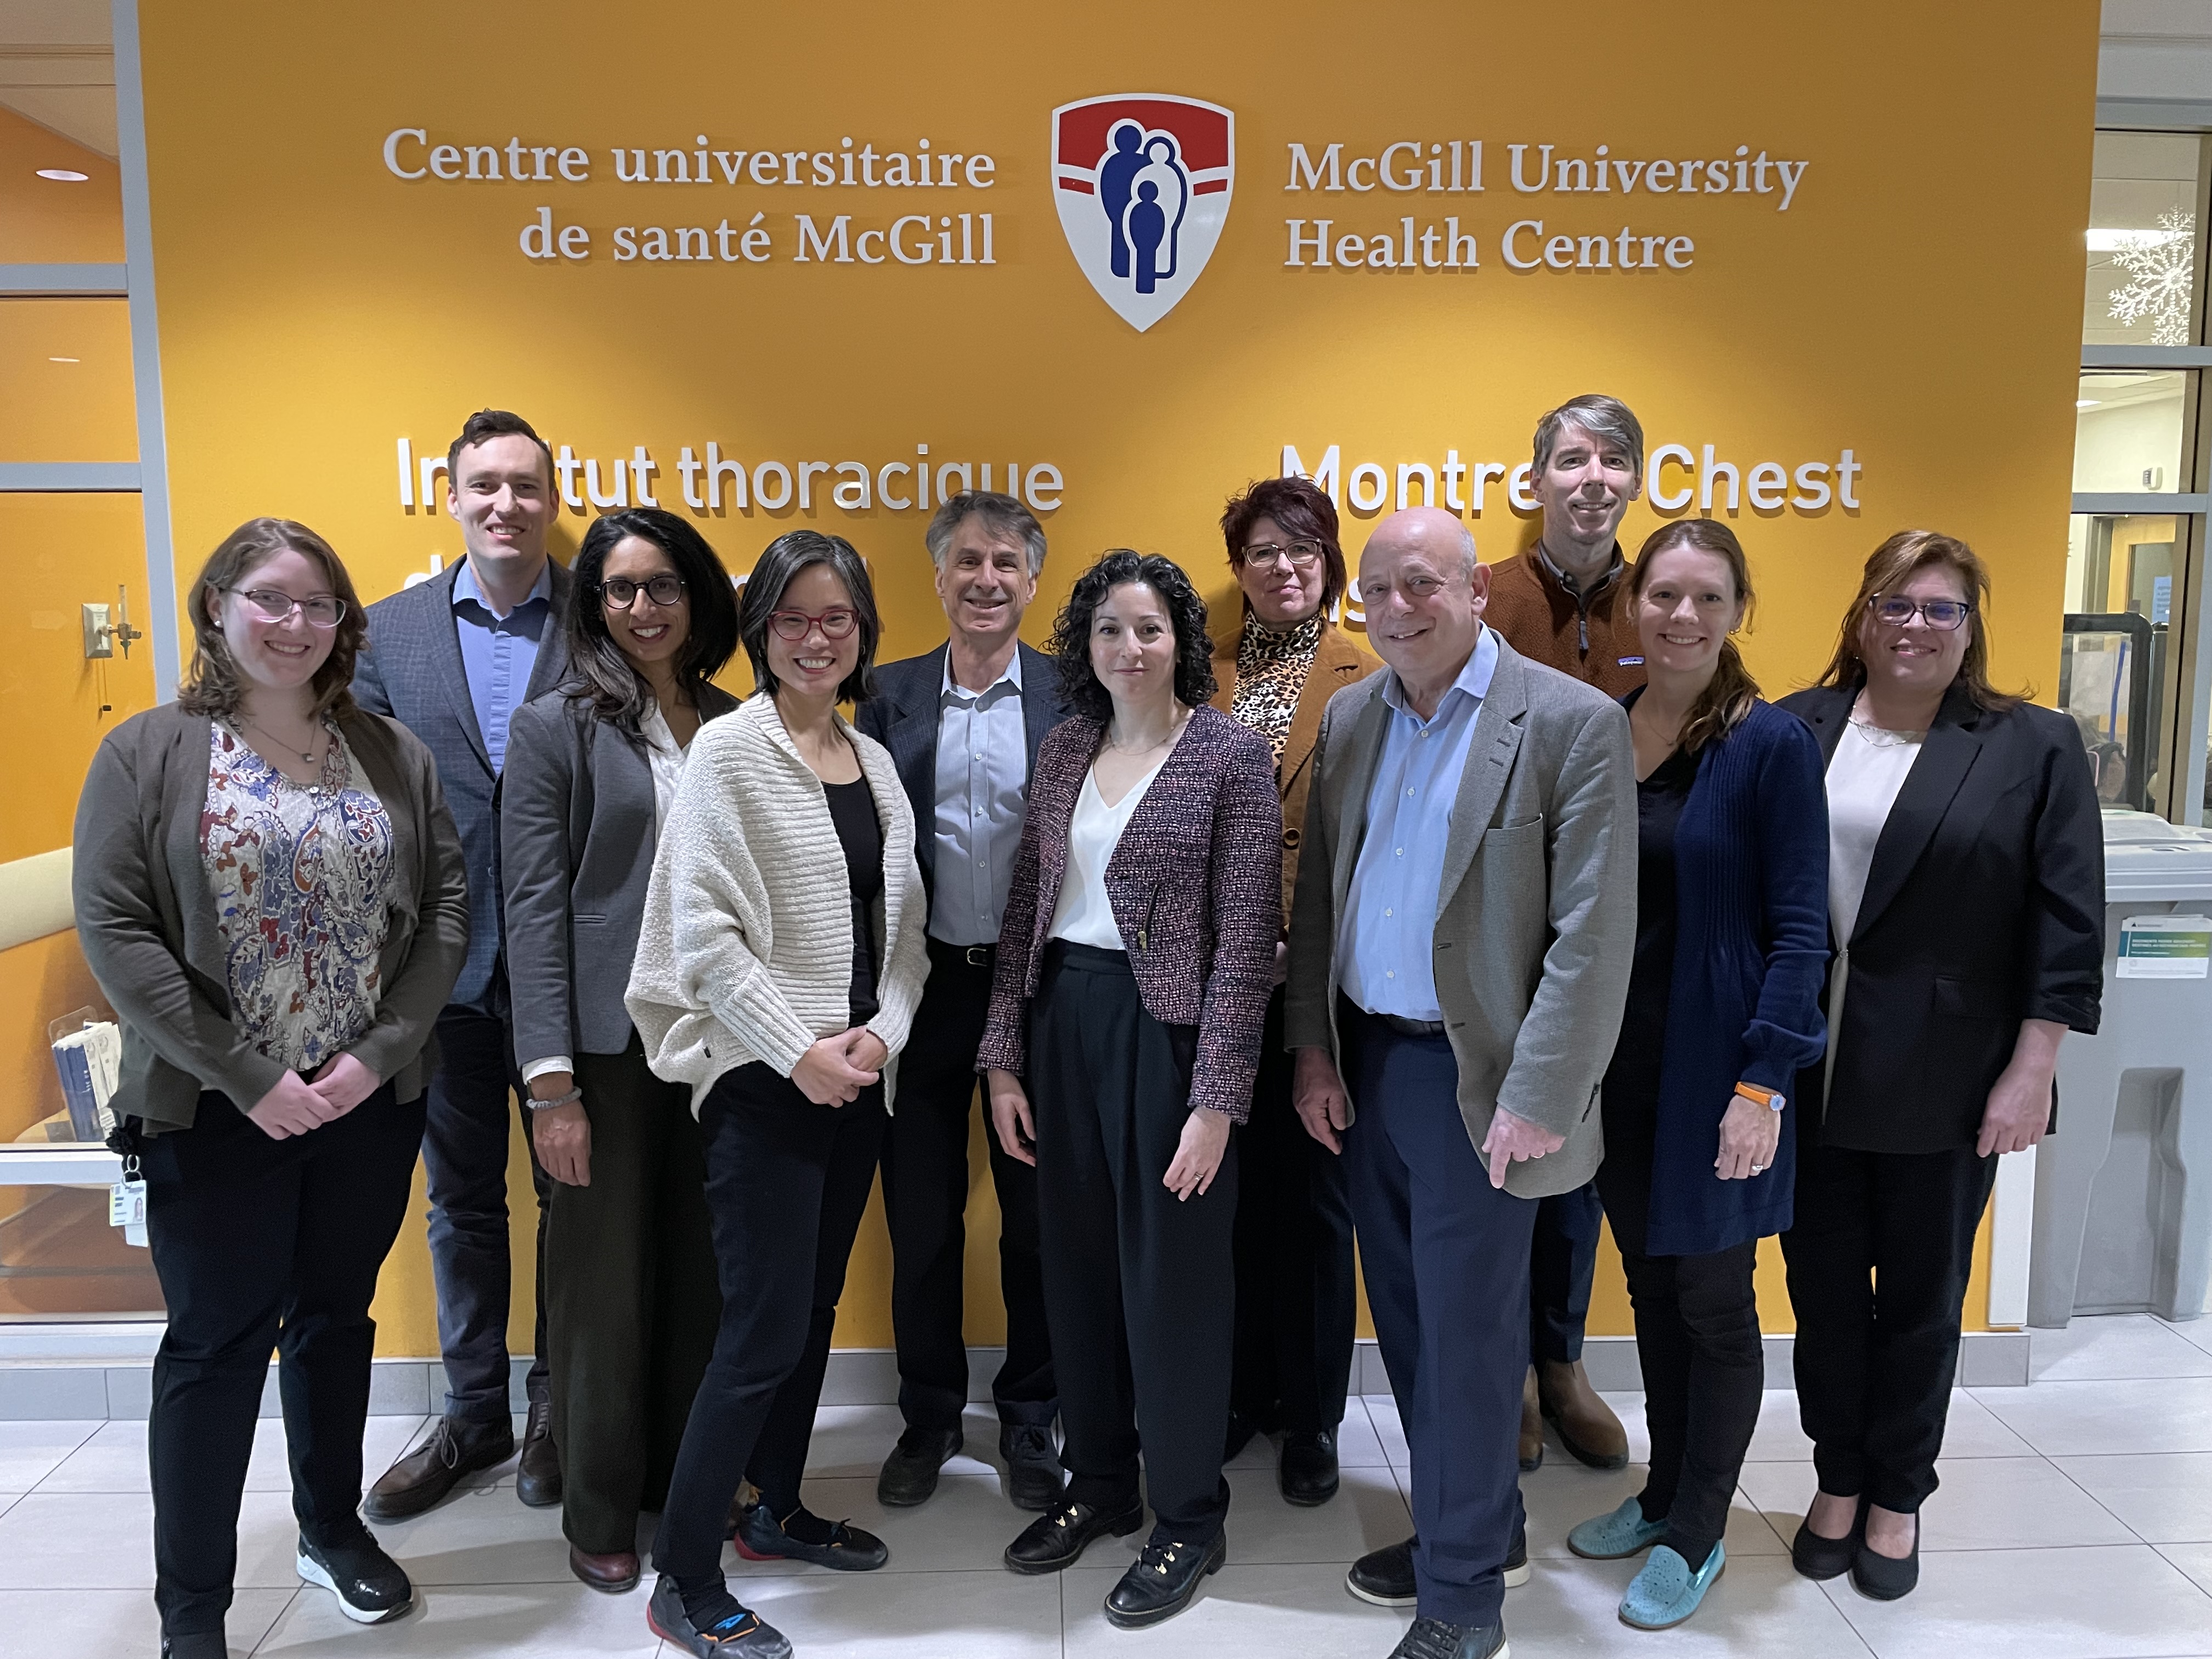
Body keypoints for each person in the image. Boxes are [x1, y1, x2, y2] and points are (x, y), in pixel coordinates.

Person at [72, 518, 468, 1659]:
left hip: (363, 1104)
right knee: (214, 1347)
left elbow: (442, 914)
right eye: (271, 600)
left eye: (319, 606)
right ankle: (192, 1613)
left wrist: (371, 1060)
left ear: (345, 624)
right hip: (214, 1108)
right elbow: (119, 932)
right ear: (217, 609)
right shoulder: (148, 751)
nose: (296, 625)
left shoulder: (392, 751)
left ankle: (331, 1531)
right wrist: (251, 1078)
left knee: (336, 1323)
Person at [1287, 507, 1636, 1659]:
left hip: (1483, 1084)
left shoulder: (1569, 723)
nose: (1397, 608)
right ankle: (1465, 1526)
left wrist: (1540, 1093)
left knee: (1475, 1341)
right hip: (1372, 1067)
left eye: (1423, 584)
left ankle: (1464, 1600)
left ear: (1476, 592)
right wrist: (1315, 1051)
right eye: (1378, 590)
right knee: (1414, 1333)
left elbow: (1593, 933)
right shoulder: (1351, 718)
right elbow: (1321, 905)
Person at [1778, 531, 2103, 1601]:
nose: (1915, 625)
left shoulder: (2032, 745)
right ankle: (1835, 1475)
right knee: (1822, 1292)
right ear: (1862, 616)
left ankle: (1897, 1494)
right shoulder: (1799, 725)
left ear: (1970, 627)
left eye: (1941, 609)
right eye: (1896, 604)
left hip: (1952, 1071)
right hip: (1808, 1068)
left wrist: (2034, 1068)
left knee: (1922, 1295)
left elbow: (2066, 919)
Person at [625, 530, 929, 1659]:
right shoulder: (729, 754)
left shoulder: (875, 764)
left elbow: (907, 946)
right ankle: (685, 1579)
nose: (816, 638)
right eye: (794, 619)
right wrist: (797, 1049)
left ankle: (777, 1511)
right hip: (764, 1088)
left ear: (862, 634)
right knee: (757, 1333)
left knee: (807, 1319)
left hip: (858, 1085)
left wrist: (881, 1037)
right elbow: (700, 941)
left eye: (837, 619)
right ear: (762, 630)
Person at [978, 550, 1279, 1629]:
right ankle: (1100, 1483)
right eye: (1109, 630)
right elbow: (1027, 909)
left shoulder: (1229, 756)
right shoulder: (1065, 748)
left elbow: (1246, 942)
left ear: (1181, 641)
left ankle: (1188, 1513)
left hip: (1170, 1037)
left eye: (1149, 629)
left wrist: (1216, 1102)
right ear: (1085, 646)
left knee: (1174, 1282)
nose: (1130, 648)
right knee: (1078, 1270)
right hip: (1064, 1021)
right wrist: (1003, 1057)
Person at [1564, 521, 1829, 1629]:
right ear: (1634, 606)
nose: (1681, 617)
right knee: (1654, 1293)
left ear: (1736, 612)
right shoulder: (1604, 731)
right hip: (1620, 1075)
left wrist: (1763, 1085)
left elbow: (1802, 931)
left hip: (1720, 1078)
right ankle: (1664, 1489)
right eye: (1663, 595)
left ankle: (1702, 1530)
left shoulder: (1769, 746)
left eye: (1705, 599)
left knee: (1716, 1304)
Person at [500, 508, 742, 1594]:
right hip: (603, 1054)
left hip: (721, 1047)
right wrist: (550, 1083)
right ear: (591, 604)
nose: (644, 607)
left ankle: (674, 1486)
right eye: (621, 589)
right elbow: (533, 909)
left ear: (698, 596)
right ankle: (599, 1506)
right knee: (599, 1288)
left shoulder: (736, 721)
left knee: (704, 1276)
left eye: (665, 586)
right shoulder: (556, 726)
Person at [356, 409, 574, 1516]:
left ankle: (558, 1410)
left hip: (571, 984)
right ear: (452, 497)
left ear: (552, 499)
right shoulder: (387, 634)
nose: (506, 504)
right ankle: (473, 1414)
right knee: (462, 1207)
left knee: (569, 1201)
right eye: (485, 484)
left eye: (526, 486)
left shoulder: (601, 623)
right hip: (436, 980)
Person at [856, 492, 1068, 1513]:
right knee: (925, 1220)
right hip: (925, 989)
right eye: (967, 563)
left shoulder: (1077, 695)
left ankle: (1034, 1414)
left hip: (1036, 995)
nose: (986, 580)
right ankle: (930, 1413)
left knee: (1035, 1223)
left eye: (1006, 565)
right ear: (937, 579)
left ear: (1033, 582)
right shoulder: (885, 695)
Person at [1479, 392, 1646, 1474]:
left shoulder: (1665, 601)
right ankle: (1503, 1374)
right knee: (1499, 1158)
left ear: (1636, 480)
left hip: (1616, 930)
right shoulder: (1484, 598)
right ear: (1533, 480)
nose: (1592, 477)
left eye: (1614, 460)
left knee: (1580, 1164)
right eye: (1572, 459)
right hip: (1498, 932)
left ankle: (1561, 1363)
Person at [1208, 476, 1376, 1507]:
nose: (1285, 566)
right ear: (1239, 567)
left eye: (1304, 548)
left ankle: (1311, 1415)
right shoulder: (1199, 672)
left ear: (1331, 563)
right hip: (1220, 980)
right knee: (1227, 1195)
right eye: (1265, 550)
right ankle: (1239, 1394)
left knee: (1316, 1204)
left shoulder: (1370, 673)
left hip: (1324, 978)